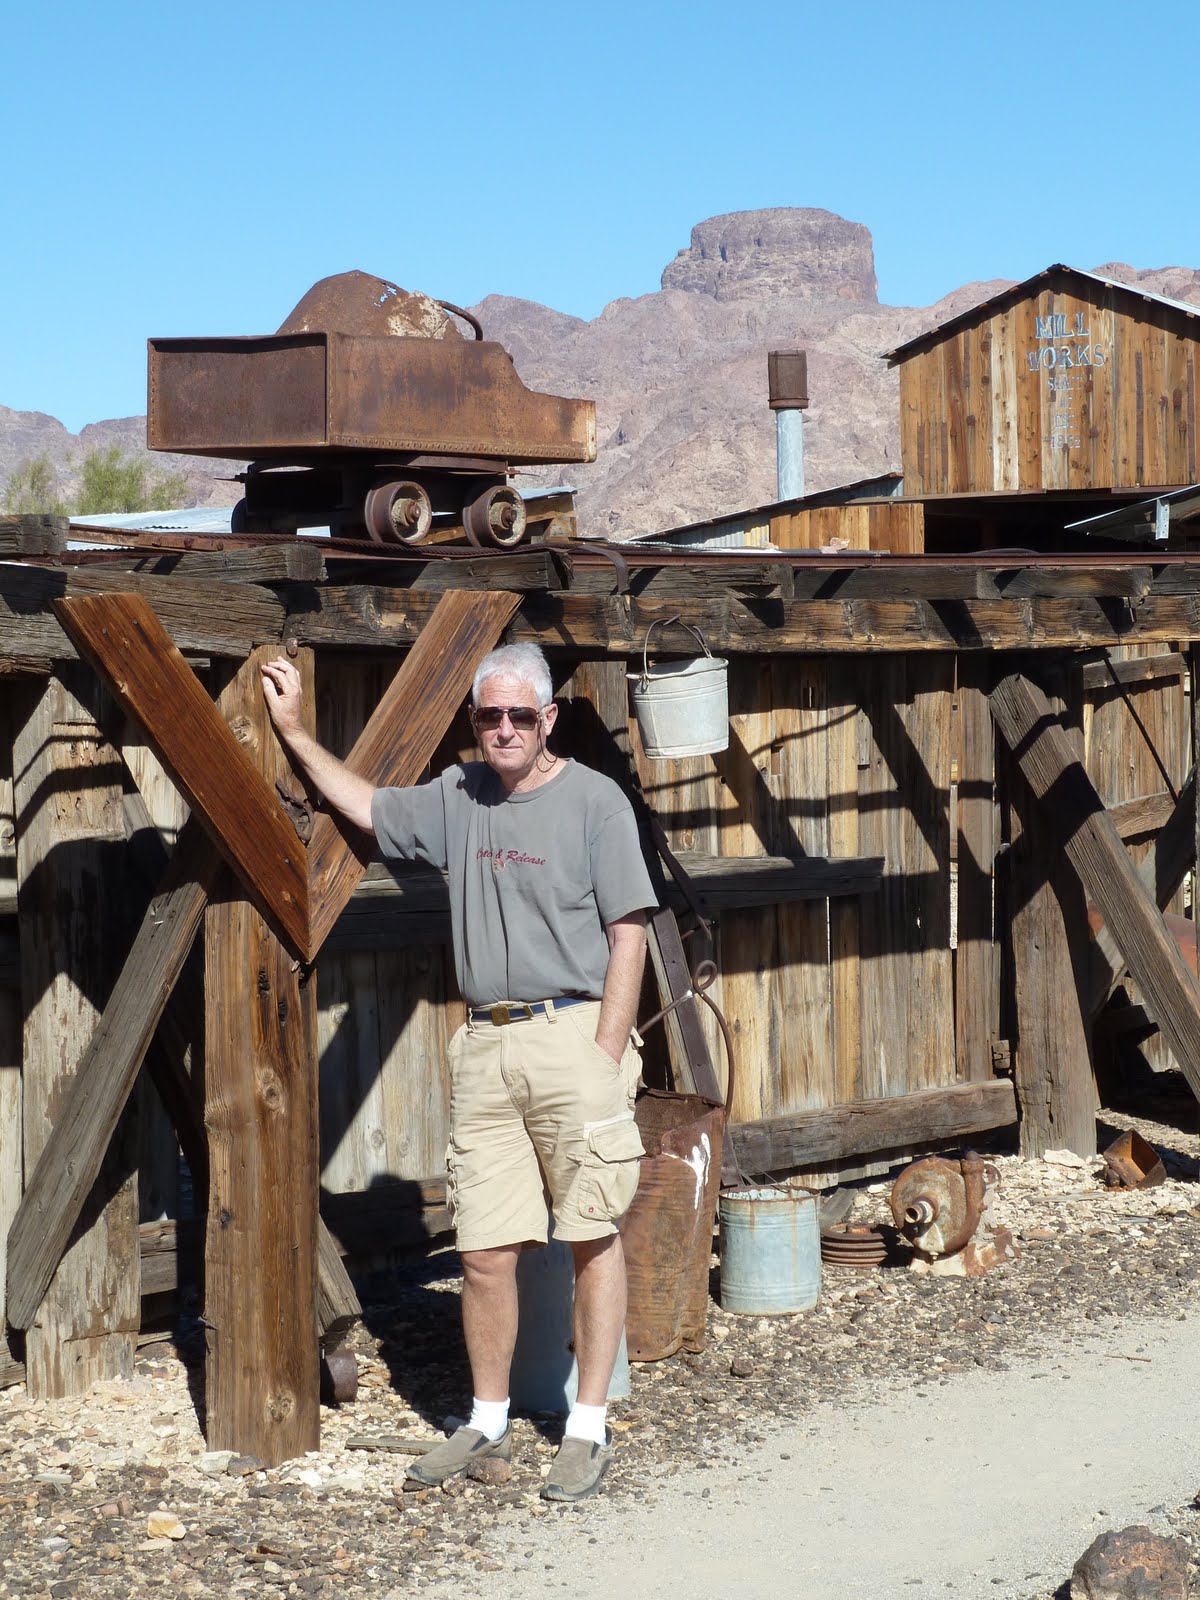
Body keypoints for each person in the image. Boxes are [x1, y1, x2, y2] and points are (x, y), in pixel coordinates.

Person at [261, 640, 657, 1502]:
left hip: (573, 1033)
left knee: (592, 1235)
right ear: (474, 722)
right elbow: (367, 805)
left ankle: (587, 1428)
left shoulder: (596, 801)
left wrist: (604, 1051)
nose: (505, 729)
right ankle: (485, 1418)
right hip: (484, 1045)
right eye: (489, 716)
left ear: (549, 718)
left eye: (521, 715)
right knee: (482, 1251)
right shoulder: (460, 797)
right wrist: (292, 732)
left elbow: (630, 931)